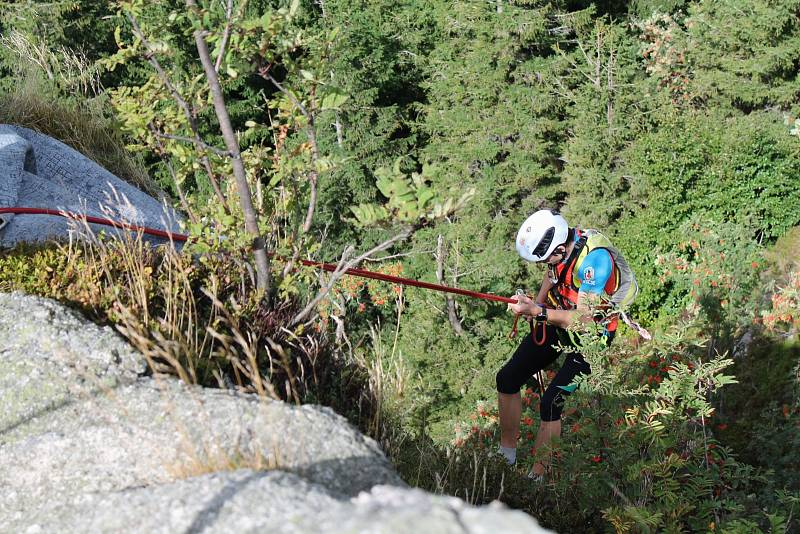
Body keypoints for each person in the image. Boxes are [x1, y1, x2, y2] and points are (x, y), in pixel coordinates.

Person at [496, 209, 638, 478]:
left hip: (591, 338)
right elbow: (551, 277)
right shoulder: (561, 251)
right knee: (507, 378)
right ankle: (506, 455)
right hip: (557, 320)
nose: (544, 263)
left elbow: (584, 320)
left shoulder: (595, 262)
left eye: (545, 258)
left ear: (560, 247)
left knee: (551, 402)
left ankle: (537, 477)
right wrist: (534, 305)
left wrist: (538, 313)